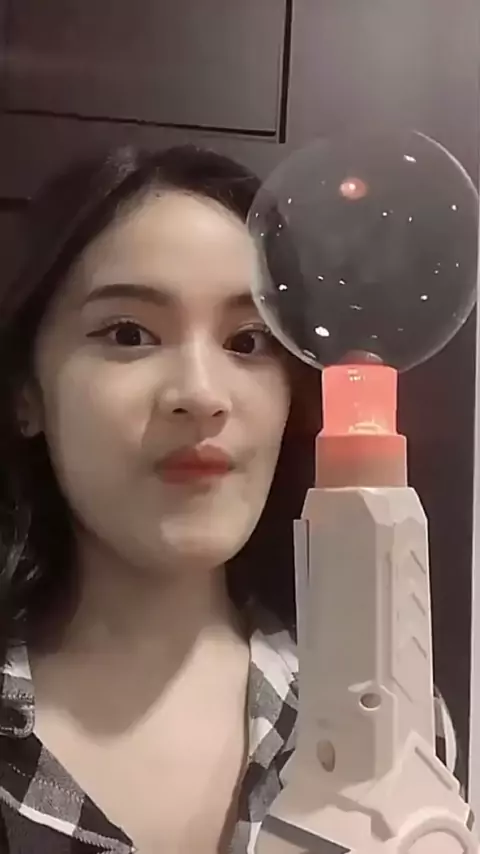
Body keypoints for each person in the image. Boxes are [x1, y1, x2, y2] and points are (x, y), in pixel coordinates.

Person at [0, 145, 459, 854]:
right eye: (129, 334)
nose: (202, 394)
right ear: (26, 393)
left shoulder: (394, 728)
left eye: (247, 342)